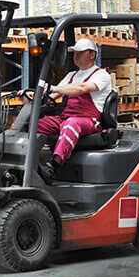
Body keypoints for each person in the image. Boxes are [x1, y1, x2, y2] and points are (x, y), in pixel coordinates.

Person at [34, 38, 112, 185]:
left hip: (89, 121)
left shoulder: (101, 75)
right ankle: (24, 160)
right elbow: (52, 96)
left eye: (80, 53)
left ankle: (53, 167)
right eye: (75, 53)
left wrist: (54, 88)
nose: (75, 56)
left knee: (70, 124)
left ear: (92, 55)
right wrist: (31, 96)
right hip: (67, 118)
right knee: (33, 124)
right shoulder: (71, 76)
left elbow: (82, 88)